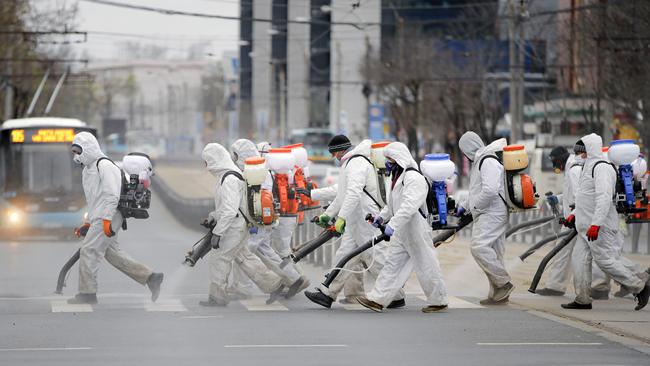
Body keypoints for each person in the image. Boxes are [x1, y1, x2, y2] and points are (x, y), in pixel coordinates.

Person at [304, 135, 404, 308]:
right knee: (344, 256)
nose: (334, 157)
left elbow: (353, 194)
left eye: (334, 153)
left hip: (365, 218)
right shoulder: (350, 163)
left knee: (376, 258)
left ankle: (396, 295)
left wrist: (340, 218)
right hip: (355, 219)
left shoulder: (356, 163)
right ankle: (327, 293)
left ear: (341, 150)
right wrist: (327, 215)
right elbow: (342, 195)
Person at [67, 132, 163, 304]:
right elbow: (93, 200)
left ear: (88, 148)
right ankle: (151, 278)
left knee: (88, 250)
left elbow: (111, 196)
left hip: (110, 215)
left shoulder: (105, 165)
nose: (77, 155)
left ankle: (87, 294)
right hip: (101, 216)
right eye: (75, 152)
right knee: (112, 254)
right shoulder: (87, 170)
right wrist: (87, 222)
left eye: (79, 151)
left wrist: (105, 220)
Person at [356, 142, 448, 313]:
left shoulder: (414, 178)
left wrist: (392, 224)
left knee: (426, 264)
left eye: (389, 159)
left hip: (416, 228)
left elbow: (409, 206)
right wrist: (381, 218)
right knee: (392, 265)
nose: (387, 162)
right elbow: (392, 205)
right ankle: (378, 299)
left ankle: (439, 300)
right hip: (402, 229)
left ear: (399, 159)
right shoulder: (397, 177)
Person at [562, 134, 650, 310]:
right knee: (579, 260)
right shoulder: (587, 166)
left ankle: (640, 287)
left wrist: (596, 224)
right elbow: (584, 197)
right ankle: (582, 299)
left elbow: (603, 198)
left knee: (605, 261)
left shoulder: (602, 168)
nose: (580, 154)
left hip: (599, 227)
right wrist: (574, 213)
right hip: (585, 228)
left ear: (591, 149)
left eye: (583, 151)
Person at [199, 143, 284, 306]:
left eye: (206, 161)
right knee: (243, 257)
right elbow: (232, 207)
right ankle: (274, 283)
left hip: (234, 227)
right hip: (240, 225)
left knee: (219, 258)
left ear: (213, 160)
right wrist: (213, 217)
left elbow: (230, 210)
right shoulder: (231, 174)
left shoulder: (229, 178)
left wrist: (218, 233)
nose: (206, 166)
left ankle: (217, 297)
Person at [231, 139, 310, 298]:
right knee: (267, 252)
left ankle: (243, 288)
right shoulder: (265, 170)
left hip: (257, 221)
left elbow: (253, 198)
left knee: (244, 252)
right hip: (267, 219)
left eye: (235, 155)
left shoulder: (256, 170)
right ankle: (294, 278)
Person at [457, 131, 514, 305]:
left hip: (492, 212)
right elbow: (477, 190)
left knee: (478, 247)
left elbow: (490, 190)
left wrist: (474, 207)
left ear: (468, 148)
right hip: (489, 211)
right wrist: (464, 206)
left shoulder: (487, 160)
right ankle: (498, 293)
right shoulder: (481, 161)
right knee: (495, 252)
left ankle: (503, 283)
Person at [536, 144, 583, 296]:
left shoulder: (574, 169)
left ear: (561, 159)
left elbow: (579, 197)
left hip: (576, 219)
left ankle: (635, 282)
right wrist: (557, 198)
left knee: (597, 256)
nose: (554, 166)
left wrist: (572, 215)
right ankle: (556, 286)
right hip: (575, 218)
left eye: (555, 162)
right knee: (565, 252)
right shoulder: (570, 168)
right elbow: (571, 195)